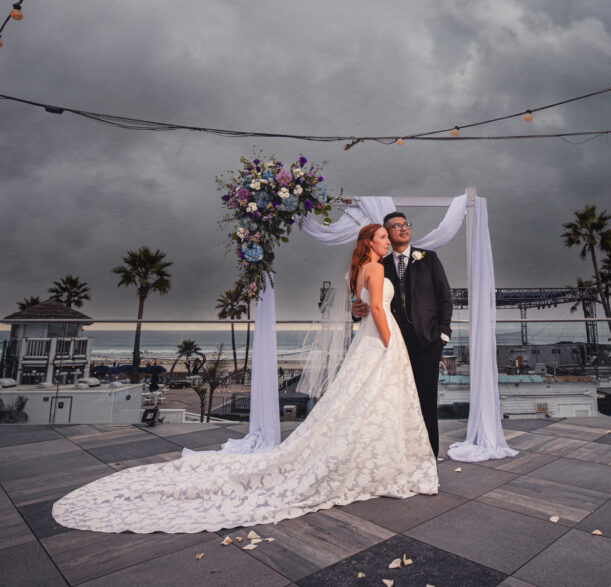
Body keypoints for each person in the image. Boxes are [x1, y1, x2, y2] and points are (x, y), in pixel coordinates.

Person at [51, 224, 438, 533]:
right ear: (368, 242)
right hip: (381, 341)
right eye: (383, 236)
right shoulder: (373, 268)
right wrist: (390, 343)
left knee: (367, 403)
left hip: (371, 340)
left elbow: (363, 306)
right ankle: (384, 462)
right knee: (372, 401)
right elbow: (372, 307)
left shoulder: (361, 270)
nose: (389, 241)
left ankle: (377, 458)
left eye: (389, 236)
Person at [353, 212, 453, 458]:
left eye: (405, 224)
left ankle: (429, 455)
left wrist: (443, 334)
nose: (403, 229)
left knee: (426, 401)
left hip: (427, 342)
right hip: (391, 342)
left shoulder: (429, 258)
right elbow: (366, 301)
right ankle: (400, 454)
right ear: (386, 234)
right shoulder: (380, 264)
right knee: (394, 400)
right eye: (395, 227)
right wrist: (354, 310)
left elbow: (445, 298)